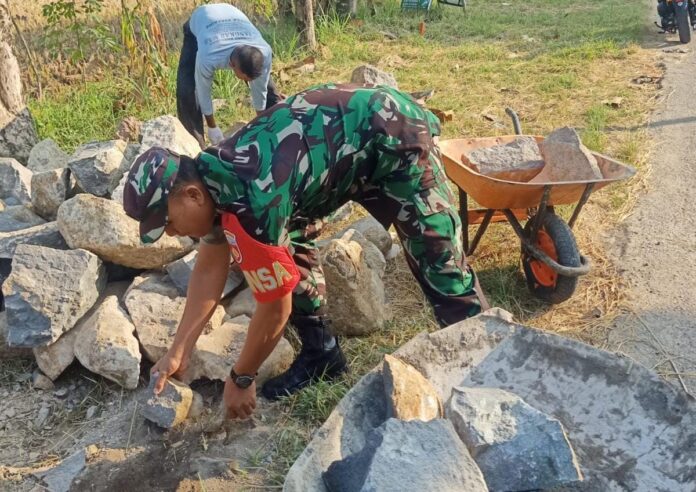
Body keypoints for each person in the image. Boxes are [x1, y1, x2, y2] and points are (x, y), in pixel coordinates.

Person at [123, 83, 489, 420]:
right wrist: (179, 350)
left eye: (168, 222)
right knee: (289, 248)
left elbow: (275, 306)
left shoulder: (250, 202)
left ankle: (483, 367)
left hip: (392, 133)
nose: (173, 233)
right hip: (333, 157)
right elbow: (208, 269)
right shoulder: (212, 181)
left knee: (437, 256)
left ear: (191, 195)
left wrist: (242, 377)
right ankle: (321, 354)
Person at [177, 3, 282, 148]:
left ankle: (278, 128)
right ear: (232, 65)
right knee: (186, 90)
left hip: (231, 15)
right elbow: (203, 89)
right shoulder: (209, 56)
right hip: (200, 23)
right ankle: (196, 146)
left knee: (266, 84)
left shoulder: (264, 51)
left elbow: (260, 88)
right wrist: (212, 126)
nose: (248, 82)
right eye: (245, 79)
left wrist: (260, 124)